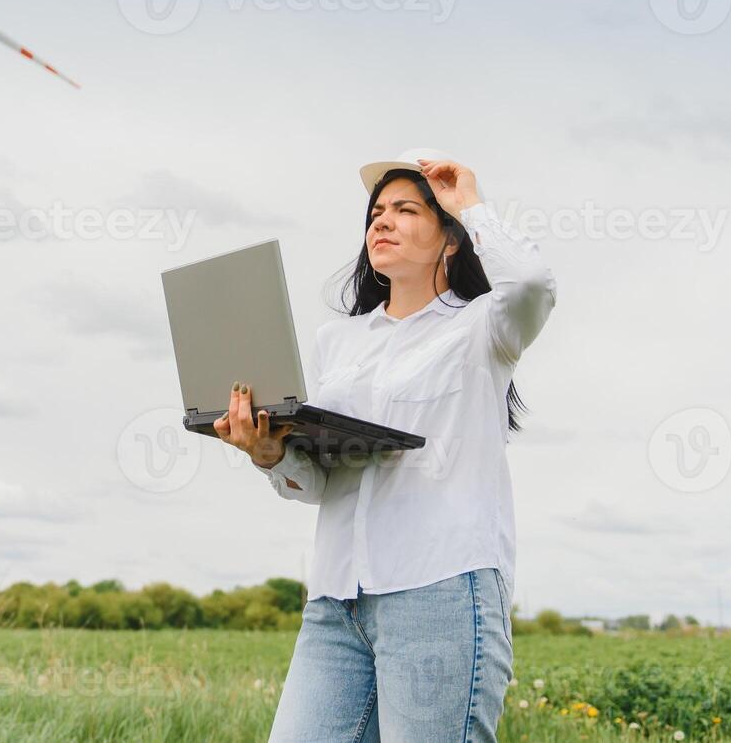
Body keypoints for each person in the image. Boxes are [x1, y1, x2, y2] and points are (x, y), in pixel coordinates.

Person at [213, 148, 556, 742]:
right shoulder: (337, 342)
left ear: (450, 240)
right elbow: (325, 481)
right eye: (375, 212)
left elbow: (530, 282)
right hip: (335, 602)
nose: (381, 220)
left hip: (440, 591)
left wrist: (467, 202)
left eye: (405, 210)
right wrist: (269, 453)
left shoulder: (481, 329)